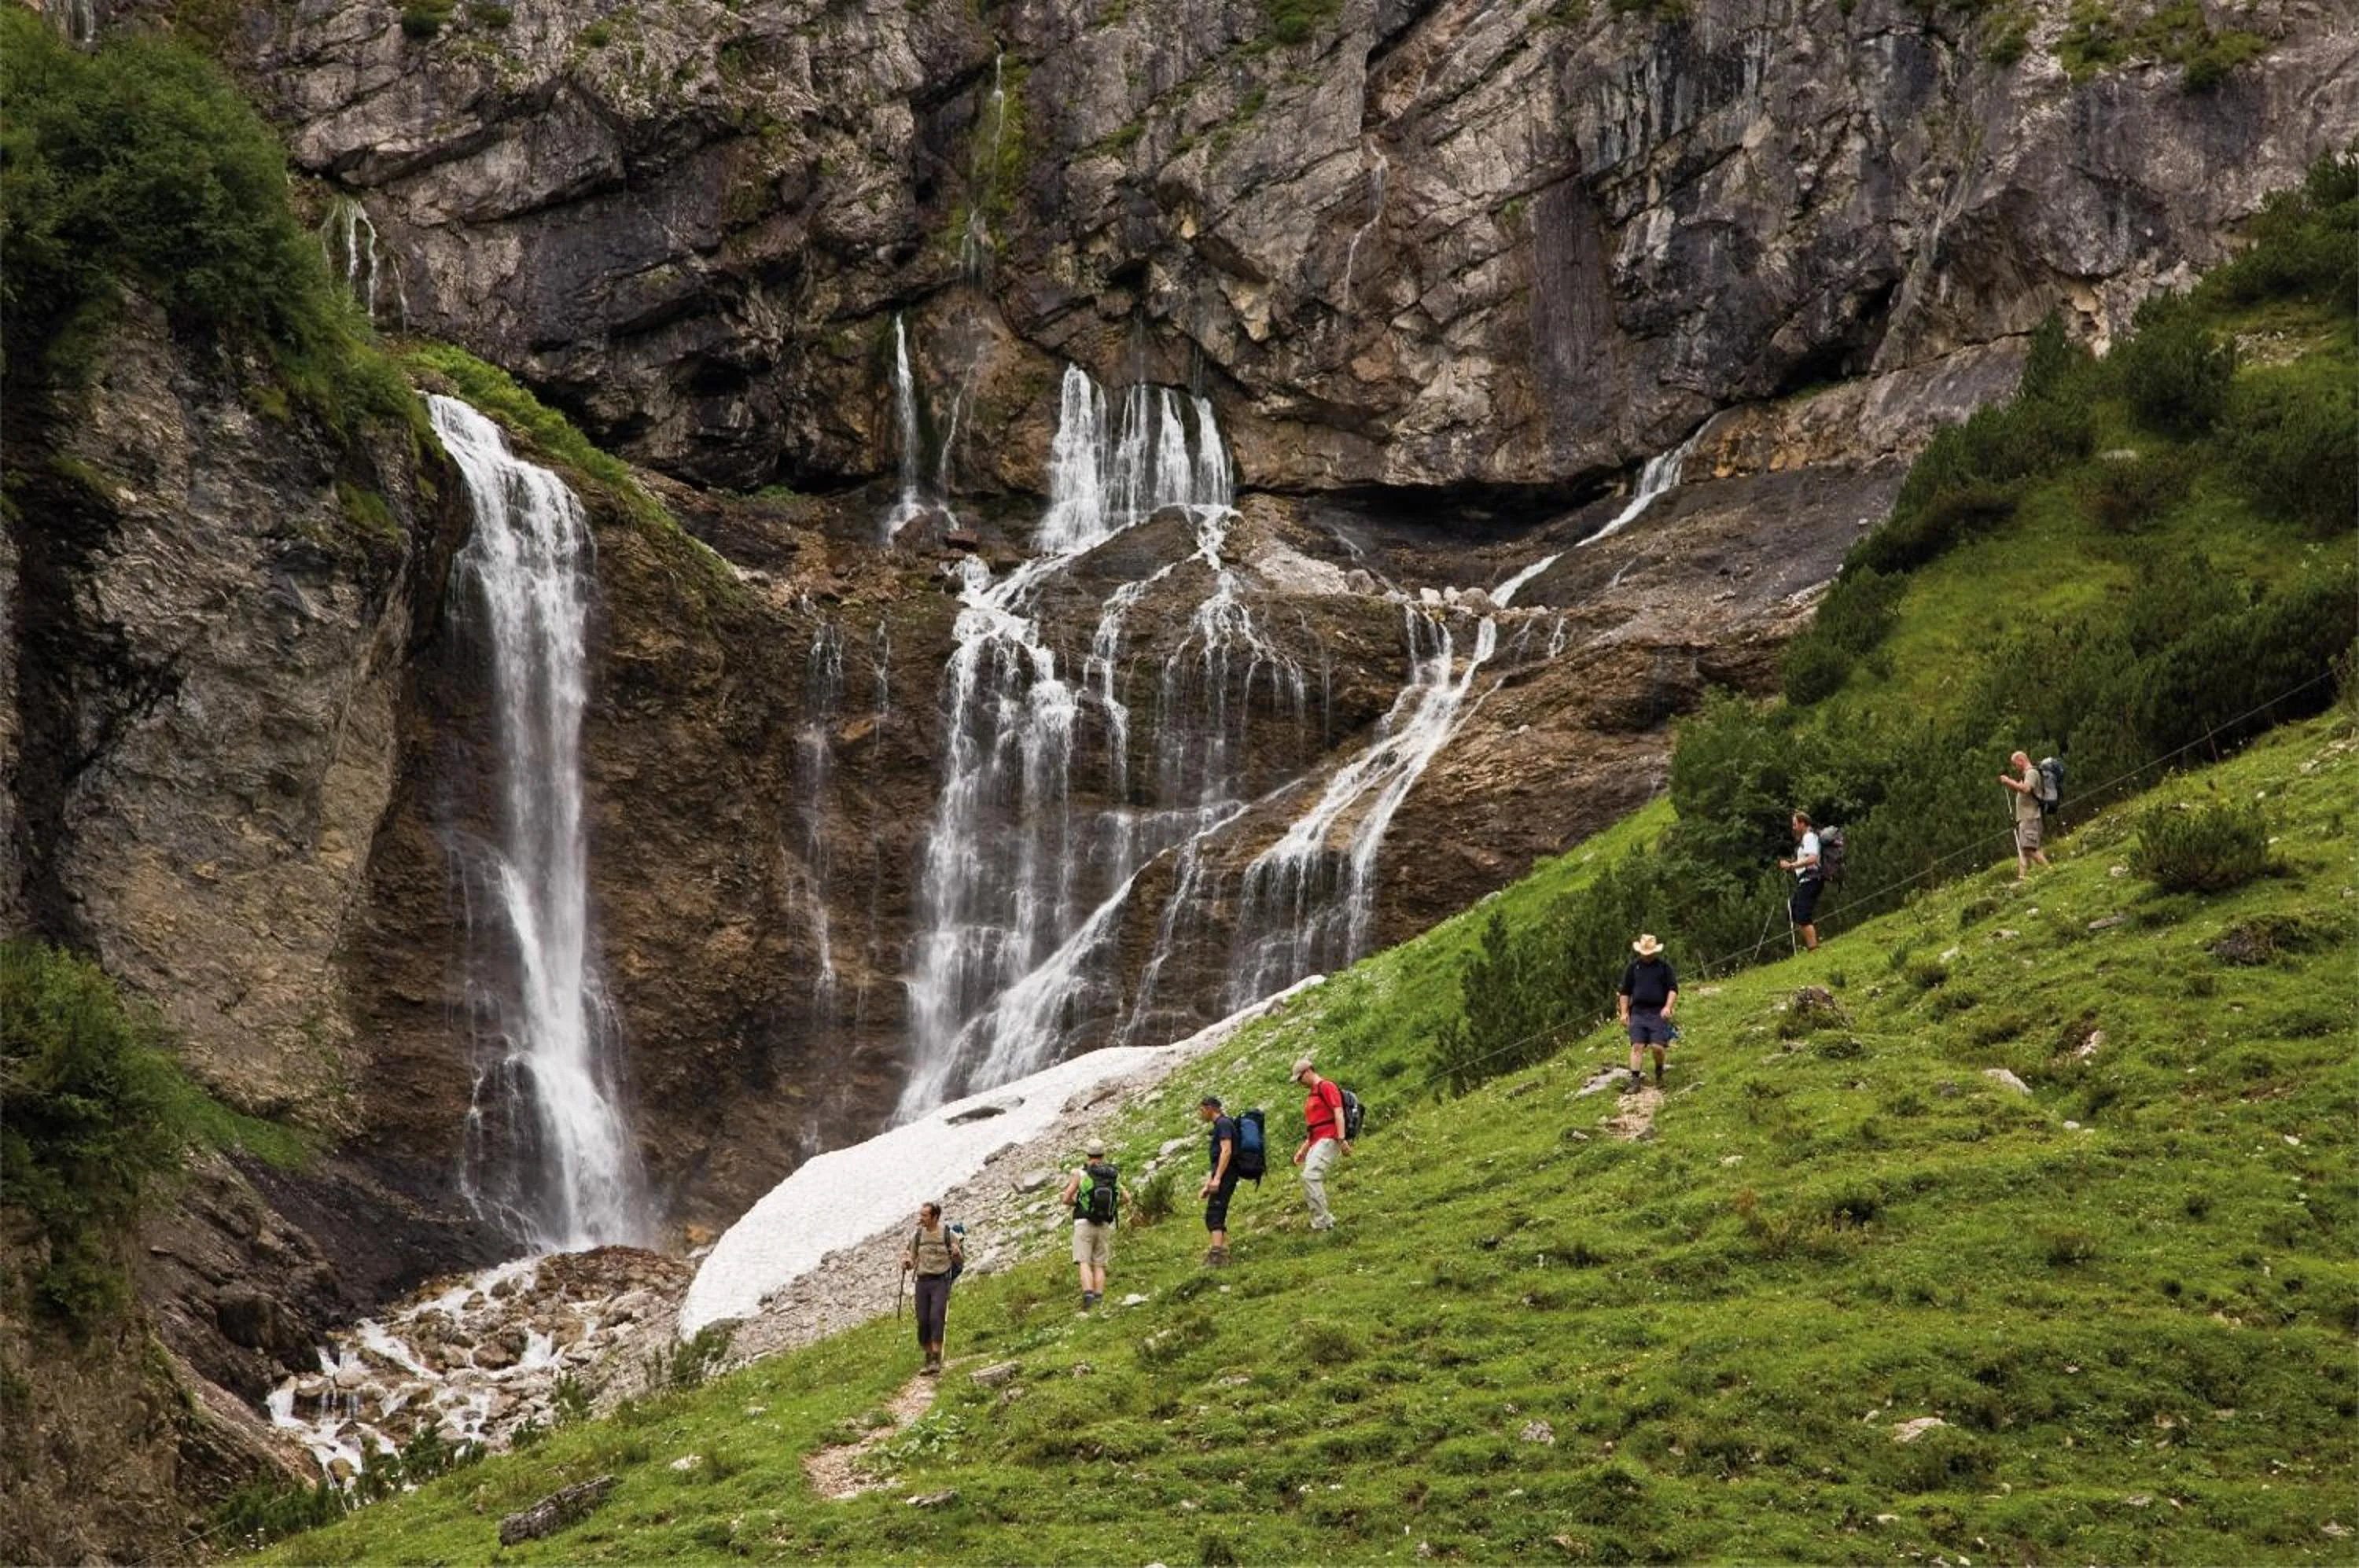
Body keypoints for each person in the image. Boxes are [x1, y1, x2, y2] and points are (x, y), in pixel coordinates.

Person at [1059, 1139, 1128, 1310]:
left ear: (1087, 1154)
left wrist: (1078, 1204)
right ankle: (1099, 1300)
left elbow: (1066, 1198)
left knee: (1084, 1261)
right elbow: (1127, 1198)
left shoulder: (1080, 1173)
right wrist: (1111, 1209)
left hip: (1084, 1222)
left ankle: (1088, 1297)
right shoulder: (1112, 1175)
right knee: (1099, 1264)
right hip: (1105, 1223)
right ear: (1103, 1155)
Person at [901, 1201, 962, 1375]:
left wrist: (957, 1254)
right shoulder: (918, 1236)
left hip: (940, 1281)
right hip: (922, 1282)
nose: (921, 1219)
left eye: (924, 1215)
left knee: (936, 1316)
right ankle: (928, 1357)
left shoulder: (947, 1235)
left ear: (935, 1217)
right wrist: (907, 1263)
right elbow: (912, 1259)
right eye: (921, 1215)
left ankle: (936, 1357)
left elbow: (959, 1260)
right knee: (923, 1321)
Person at [1290, 1058, 1350, 1233]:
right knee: (1308, 1177)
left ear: (1308, 1071)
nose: (1299, 1083)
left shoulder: (1326, 1086)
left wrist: (1341, 1139)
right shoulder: (1313, 1094)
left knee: (1310, 1176)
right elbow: (1314, 1126)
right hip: (1317, 1141)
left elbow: (1338, 1112)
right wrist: (1303, 1149)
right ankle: (1322, 1220)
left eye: (1300, 1079)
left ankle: (1323, 1222)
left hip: (1329, 1138)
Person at [1617, 933, 1679, 1090]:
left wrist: (1668, 1007)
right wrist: (1624, 1013)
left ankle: (1659, 1073)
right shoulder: (1633, 968)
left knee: (1657, 1047)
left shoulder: (1664, 967)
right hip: (1638, 1012)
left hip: (1658, 1011)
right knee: (1637, 1046)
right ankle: (1635, 1080)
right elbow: (1625, 992)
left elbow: (1673, 989)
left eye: (1650, 953)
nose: (1648, 956)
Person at [1198, 1096, 1239, 1266]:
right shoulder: (1222, 1124)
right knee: (1216, 1213)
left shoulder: (1223, 1124)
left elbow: (1226, 1151)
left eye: (1201, 1110)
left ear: (1210, 1108)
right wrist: (1209, 1183)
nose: (1201, 1114)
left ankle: (1218, 1257)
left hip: (1226, 1175)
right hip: (1223, 1175)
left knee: (1215, 1214)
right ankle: (1222, 1252)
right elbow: (1217, 1159)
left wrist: (1217, 1179)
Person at [2000, 750, 2052, 881]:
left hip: (2031, 816)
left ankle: (2050, 870)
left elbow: (2026, 789)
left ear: (2020, 761)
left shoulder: (2031, 773)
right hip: (2026, 817)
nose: (2015, 767)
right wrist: (2012, 785)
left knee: (2029, 849)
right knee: (2023, 850)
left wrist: (2009, 781)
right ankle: (2022, 878)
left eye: (2015, 764)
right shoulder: (2027, 775)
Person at [1779, 811, 1823, 951]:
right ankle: (1811, 945)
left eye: (1795, 824)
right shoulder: (1806, 838)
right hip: (1806, 880)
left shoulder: (1809, 837)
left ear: (1803, 823)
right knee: (1794, 911)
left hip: (1811, 880)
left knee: (1803, 915)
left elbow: (1812, 859)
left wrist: (1791, 865)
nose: (1793, 828)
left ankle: (1813, 948)